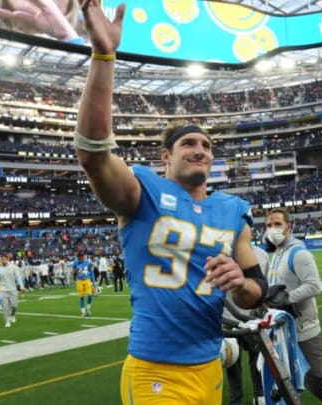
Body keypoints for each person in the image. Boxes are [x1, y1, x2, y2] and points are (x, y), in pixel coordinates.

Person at [74, 2, 267, 402]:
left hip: (209, 364)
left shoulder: (232, 210)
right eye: (188, 143)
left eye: (207, 146)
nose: (200, 150)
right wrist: (104, 55)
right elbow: (93, 153)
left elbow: (255, 292)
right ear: (166, 155)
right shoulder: (143, 190)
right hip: (154, 369)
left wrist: (240, 282)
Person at [263, 208, 322, 405]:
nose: (272, 229)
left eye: (277, 224)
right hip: (283, 330)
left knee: (315, 380)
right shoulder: (277, 254)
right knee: (286, 382)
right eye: (269, 225)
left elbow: (313, 286)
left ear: (289, 227)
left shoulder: (298, 253)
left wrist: (286, 299)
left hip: (305, 330)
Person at [225, 245, 269, 405]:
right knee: (232, 364)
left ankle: (259, 395)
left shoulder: (262, 255)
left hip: (252, 318)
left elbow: (265, 288)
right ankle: (236, 400)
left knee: (256, 360)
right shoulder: (220, 250)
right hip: (227, 320)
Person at [0, 254, 26, 328]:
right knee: (5, 306)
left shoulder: (13, 267)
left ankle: (13, 314)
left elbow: (18, 277)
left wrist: (22, 286)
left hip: (13, 289)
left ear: (7, 259)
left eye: (5, 259)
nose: (3, 261)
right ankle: (7, 321)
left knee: (14, 305)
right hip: (2, 290)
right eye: (2, 259)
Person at [72, 252, 96, 316]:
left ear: (83, 257)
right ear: (78, 258)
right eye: (79, 258)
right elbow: (72, 273)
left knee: (90, 295)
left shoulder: (88, 262)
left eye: (82, 257)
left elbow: (91, 272)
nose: (81, 259)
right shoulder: (75, 263)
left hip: (87, 280)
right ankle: (83, 311)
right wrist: (77, 269)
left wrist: (94, 282)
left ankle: (88, 309)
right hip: (79, 281)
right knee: (81, 296)